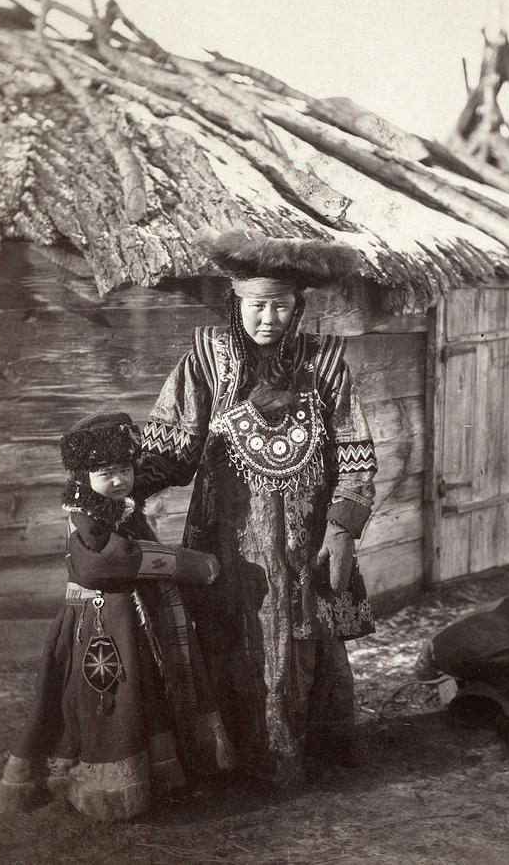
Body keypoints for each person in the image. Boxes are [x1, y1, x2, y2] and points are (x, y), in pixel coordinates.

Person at [136, 229, 378, 788]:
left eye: (280, 305)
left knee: (304, 628)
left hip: (305, 528)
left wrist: (342, 529)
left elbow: (355, 448)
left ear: (297, 307)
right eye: (256, 305)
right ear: (236, 302)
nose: (267, 318)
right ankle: (233, 756)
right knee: (230, 629)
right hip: (227, 531)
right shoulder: (207, 357)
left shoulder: (326, 362)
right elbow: (172, 443)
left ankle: (303, 750)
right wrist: (124, 490)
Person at [0, 412, 232, 821]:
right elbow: (101, 566)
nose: (120, 480)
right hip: (98, 625)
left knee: (142, 694)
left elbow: (132, 548)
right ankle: (103, 787)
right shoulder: (84, 516)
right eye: (107, 473)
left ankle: (154, 777)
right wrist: (184, 563)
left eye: (125, 469)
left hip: (131, 622)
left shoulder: (120, 507)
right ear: (83, 475)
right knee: (106, 699)